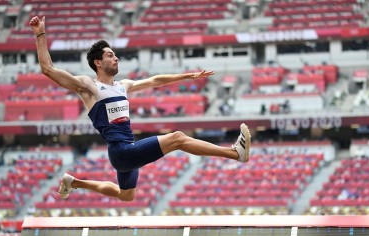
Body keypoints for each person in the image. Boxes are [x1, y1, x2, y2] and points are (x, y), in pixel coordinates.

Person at [29, 16, 251, 202]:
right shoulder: (89, 87)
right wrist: (40, 34)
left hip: (126, 150)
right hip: (121, 151)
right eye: (109, 55)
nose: (116, 58)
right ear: (98, 62)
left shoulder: (122, 86)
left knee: (126, 195)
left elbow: (155, 80)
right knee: (178, 138)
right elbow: (48, 69)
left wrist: (188, 75)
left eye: (115, 55)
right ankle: (234, 153)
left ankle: (74, 182)